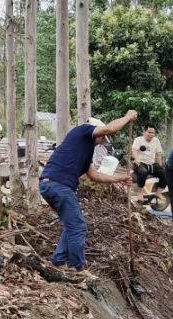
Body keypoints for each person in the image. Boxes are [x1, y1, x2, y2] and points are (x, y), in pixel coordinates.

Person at [38, 110, 137, 272]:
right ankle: (77, 269)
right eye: (102, 138)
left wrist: (119, 179)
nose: (102, 141)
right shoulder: (82, 131)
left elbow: (94, 175)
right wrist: (127, 117)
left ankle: (58, 262)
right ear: (97, 132)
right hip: (58, 185)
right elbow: (110, 129)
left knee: (71, 225)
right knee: (77, 227)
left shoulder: (85, 150)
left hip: (51, 185)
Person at [131, 125, 165, 198]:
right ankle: (140, 193)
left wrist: (160, 166)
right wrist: (136, 159)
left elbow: (158, 155)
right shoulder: (138, 140)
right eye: (149, 132)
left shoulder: (156, 141)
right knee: (143, 172)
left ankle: (158, 193)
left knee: (164, 173)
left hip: (151, 164)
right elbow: (134, 151)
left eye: (153, 133)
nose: (151, 134)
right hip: (140, 163)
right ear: (144, 132)